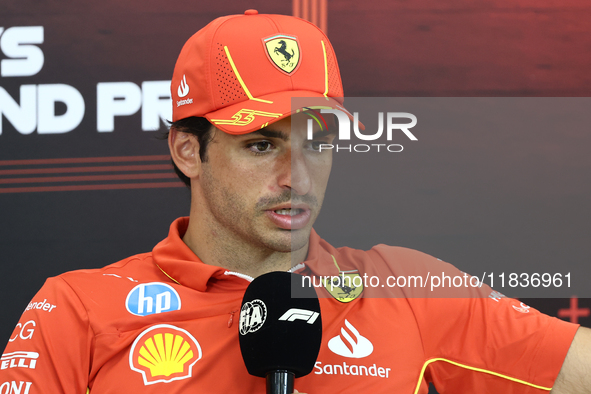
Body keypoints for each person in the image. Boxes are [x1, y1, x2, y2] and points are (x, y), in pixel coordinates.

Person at [1, 10, 590, 394]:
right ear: (188, 150)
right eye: (262, 144)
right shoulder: (76, 308)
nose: (296, 176)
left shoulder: (402, 285)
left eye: (318, 142)